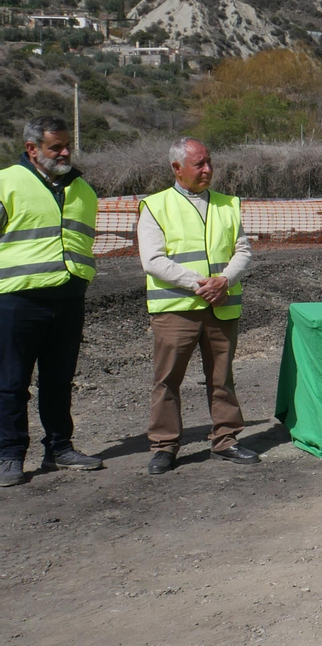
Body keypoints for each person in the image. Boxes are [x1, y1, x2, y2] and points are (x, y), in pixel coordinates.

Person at [138, 137, 258, 475]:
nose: (207, 169)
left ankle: (226, 439)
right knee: (167, 380)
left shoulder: (228, 204)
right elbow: (153, 260)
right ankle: (164, 446)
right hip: (176, 308)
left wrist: (224, 281)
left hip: (221, 306)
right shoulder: (154, 206)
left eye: (209, 162)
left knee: (222, 377)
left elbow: (243, 250)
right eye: (199, 164)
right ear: (177, 168)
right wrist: (199, 285)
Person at [0, 117, 103, 487]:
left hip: (68, 298)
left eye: (66, 146)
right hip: (17, 300)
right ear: (32, 149)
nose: (64, 153)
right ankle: (9, 455)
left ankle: (59, 448)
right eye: (55, 147)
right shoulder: (6, 182)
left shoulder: (83, 190)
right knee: (11, 382)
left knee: (59, 380)